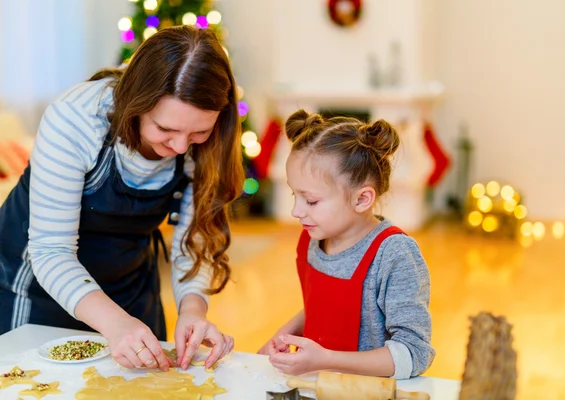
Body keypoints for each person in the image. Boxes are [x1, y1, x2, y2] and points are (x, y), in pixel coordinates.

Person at [0, 26, 243, 372]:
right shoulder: (76, 119)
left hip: (129, 291)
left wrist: (192, 310)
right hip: (37, 293)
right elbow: (51, 251)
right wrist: (114, 324)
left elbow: (195, 242)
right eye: (165, 129)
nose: (180, 147)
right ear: (137, 103)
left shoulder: (211, 142)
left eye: (199, 133)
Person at [258, 110, 435, 379]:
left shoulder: (394, 254)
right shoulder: (312, 239)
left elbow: (413, 354)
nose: (296, 211)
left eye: (311, 200)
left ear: (362, 199)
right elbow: (322, 306)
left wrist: (326, 359)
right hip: (317, 385)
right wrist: (284, 334)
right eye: (295, 195)